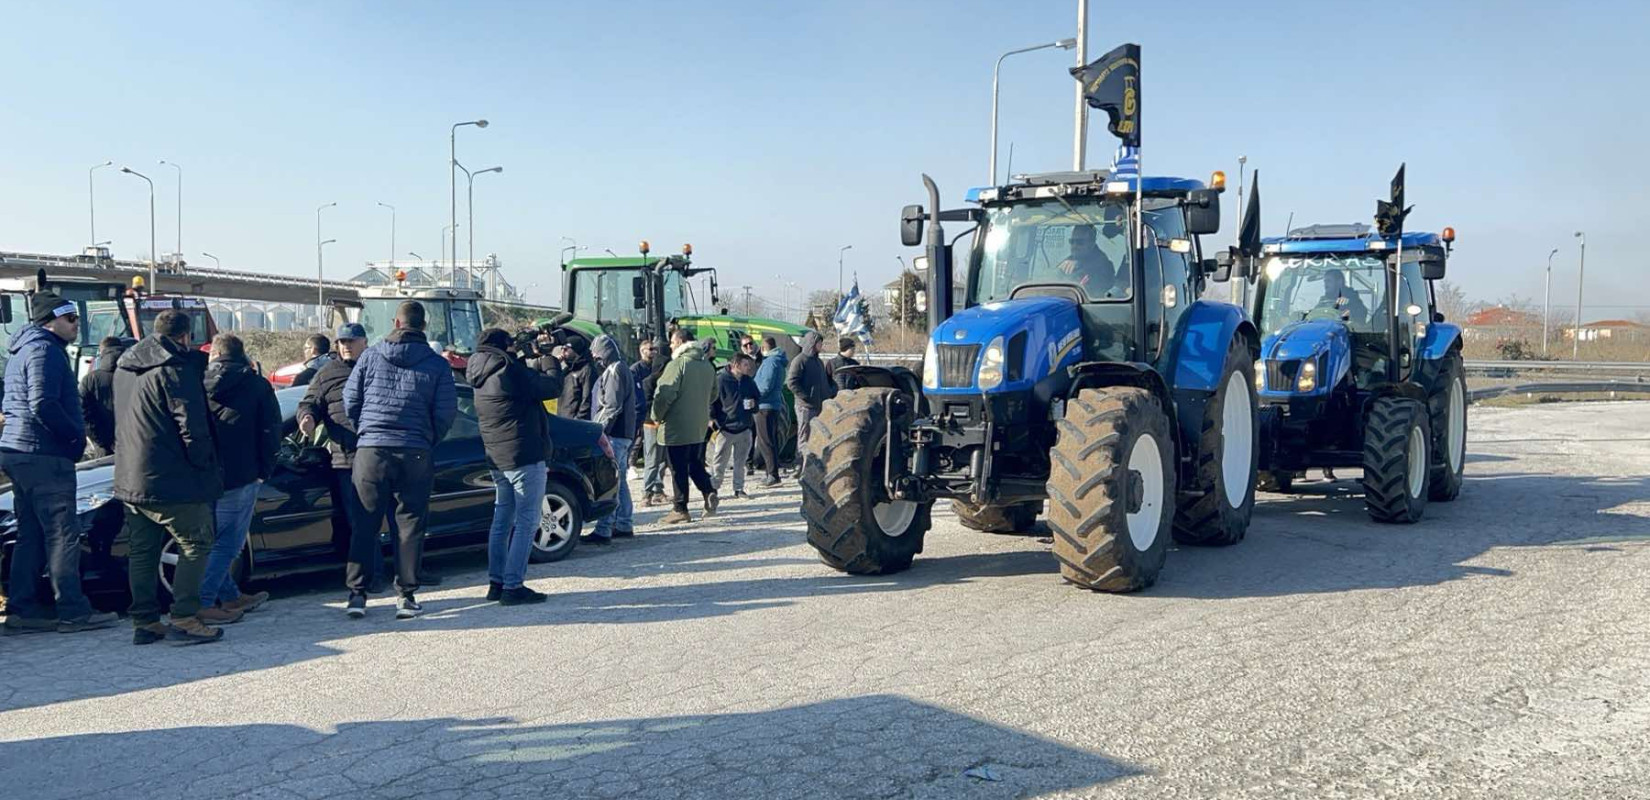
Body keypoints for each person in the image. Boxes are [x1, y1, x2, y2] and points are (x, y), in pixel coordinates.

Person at [0, 292, 116, 635]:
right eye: (70, 318)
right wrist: (74, 440)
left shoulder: (22, 349)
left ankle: (22, 610)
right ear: (50, 321)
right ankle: (73, 611)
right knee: (63, 533)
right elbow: (43, 403)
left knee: (32, 533)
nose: (76, 324)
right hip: (43, 453)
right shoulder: (44, 350)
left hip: (19, 451)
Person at [342, 300, 457, 620]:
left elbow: (350, 400)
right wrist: (427, 439)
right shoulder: (437, 364)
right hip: (414, 449)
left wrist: (366, 430)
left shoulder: (371, 356)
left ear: (396, 322)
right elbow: (446, 412)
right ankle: (405, 596)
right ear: (424, 326)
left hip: (371, 449)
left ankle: (357, 595)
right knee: (410, 524)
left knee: (365, 523)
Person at [115, 309, 224, 645]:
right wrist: (205, 466)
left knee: (143, 550)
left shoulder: (124, 368)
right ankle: (185, 617)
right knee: (197, 541)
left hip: (130, 474)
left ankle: (145, 621)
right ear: (186, 336)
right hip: (171, 477)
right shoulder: (175, 369)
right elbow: (191, 426)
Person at [467, 327, 562, 604]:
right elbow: (551, 387)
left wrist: (521, 356)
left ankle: (496, 582)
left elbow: (520, 382)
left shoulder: (481, 372)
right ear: (503, 347)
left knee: (502, 520)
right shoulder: (509, 371)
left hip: (497, 458)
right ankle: (513, 586)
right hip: (524, 455)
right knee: (527, 522)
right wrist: (547, 358)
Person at [196, 333, 281, 624]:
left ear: (213, 355)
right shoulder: (256, 385)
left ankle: (230, 595)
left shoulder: (196, 384)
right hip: (242, 473)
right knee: (228, 544)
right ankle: (204, 602)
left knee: (211, 541)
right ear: (242, 354)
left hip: (204, 473)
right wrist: (264, 471)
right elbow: (270, 430)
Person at [298, 324, 376, 587]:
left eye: (351, 341)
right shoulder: (327, 373)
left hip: (380, 454)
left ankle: (406, 574)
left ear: (364, 342)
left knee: (389, 518)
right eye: (342, 342)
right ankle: (369, 578)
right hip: (347, 460)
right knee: (358, 521)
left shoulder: (378, 366)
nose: (346, 346)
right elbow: (309, 402)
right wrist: (307, 417)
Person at [650, 328, 718, 524]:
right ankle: (708, 491)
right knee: (694, 463)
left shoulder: (678, 364)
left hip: (676, 426)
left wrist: (656, 415)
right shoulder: (707, 366)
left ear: (680, 342)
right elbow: (713, 394)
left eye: (672, 342)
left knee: (678, 468)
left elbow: (665, 394)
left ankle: (680, 508)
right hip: (699, 425)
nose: (671, 346)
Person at [588, 334, 637, 541]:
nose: (594, 358)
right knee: (620, 481)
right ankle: (624, 524)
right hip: (622, 434)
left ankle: (604, 528)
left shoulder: (615, 370)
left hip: (614, 434)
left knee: (609, 482)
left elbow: (612, 406)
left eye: (596, 354)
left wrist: (597, 430)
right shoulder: (620, 368)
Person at [710, 352, 760, 499]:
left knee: (740, 462)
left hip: (744, 427)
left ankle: (739, 489)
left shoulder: (748, 381)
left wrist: (754, 404)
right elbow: (711, 401)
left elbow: (757, 398)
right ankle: (713, 489)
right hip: (726, 428)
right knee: (719, 461)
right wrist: (712, 419)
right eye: (745, 364)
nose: (748, 367)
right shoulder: (721, 380)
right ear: (736, 365)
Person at [78, 335, 129, 458]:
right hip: (133, 442)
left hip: (104, 447)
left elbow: (82, 413)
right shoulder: (136, 374)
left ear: (101, 353)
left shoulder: (90, 379)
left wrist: (100, 440)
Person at [632, 338, 668, 506]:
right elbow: (642, 402)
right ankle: (646, 493)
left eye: (655, 349)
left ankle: (658, 490)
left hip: (663, 423)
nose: (653, 352)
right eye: (650, 349)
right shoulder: (642, 376)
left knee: (662, 460)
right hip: (651, 423)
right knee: (652, 459)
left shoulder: (663, 379)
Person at [787, 331, 831, 459]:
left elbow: (823, 382)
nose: (821, 345)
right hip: (805, 407)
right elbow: (791, 382)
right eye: (819, 343)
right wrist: (806, 397)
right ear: (812, 343)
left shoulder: (818, 362)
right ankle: (801, 462)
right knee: (804, 437)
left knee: (816, 436)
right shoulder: (800, 360)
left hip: (819, 406)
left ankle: (813, 462)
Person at [752, 335, 789, 487]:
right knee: (771, 440)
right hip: (773, 405)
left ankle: (772, 475)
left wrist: (754, 396)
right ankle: (772, 473)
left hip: (764, 406)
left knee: (765, 442)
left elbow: (765, 385)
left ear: (763, 348)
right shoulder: (778, 361)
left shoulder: (770, 362)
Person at [1056, 222, 1122, 297]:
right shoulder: (1070, 259)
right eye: (1072, 241)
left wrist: (1079, 264)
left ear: (1091, 243)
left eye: (1080, 242)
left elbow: (1098, 284)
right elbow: (1054, 277)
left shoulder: (1103, 265)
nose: (1074, 245)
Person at [557, 336, 595, 421]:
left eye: (566, 349)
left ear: (575, 350)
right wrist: (554, 365)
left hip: (574, 422)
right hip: (562, 420)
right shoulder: (567, 370)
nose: (562, 353)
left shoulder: (587, 370)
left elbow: (587, 399)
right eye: (562, 349)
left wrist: (578, 420)